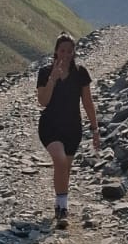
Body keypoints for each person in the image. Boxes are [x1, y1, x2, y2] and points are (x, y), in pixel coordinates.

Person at [36, 32, 100, 228]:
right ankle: (63, 209)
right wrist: (52, 80)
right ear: (56, 51)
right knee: (60, 159)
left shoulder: (80, 73)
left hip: (72, 127)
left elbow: (87, 102)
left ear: (74, 53)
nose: (65, 54)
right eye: (62, 50)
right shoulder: (45, 72)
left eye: (69, 51)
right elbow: (43, 101)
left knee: (65, 169)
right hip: (50, 125)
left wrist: (95, 129)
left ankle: (60, 204)